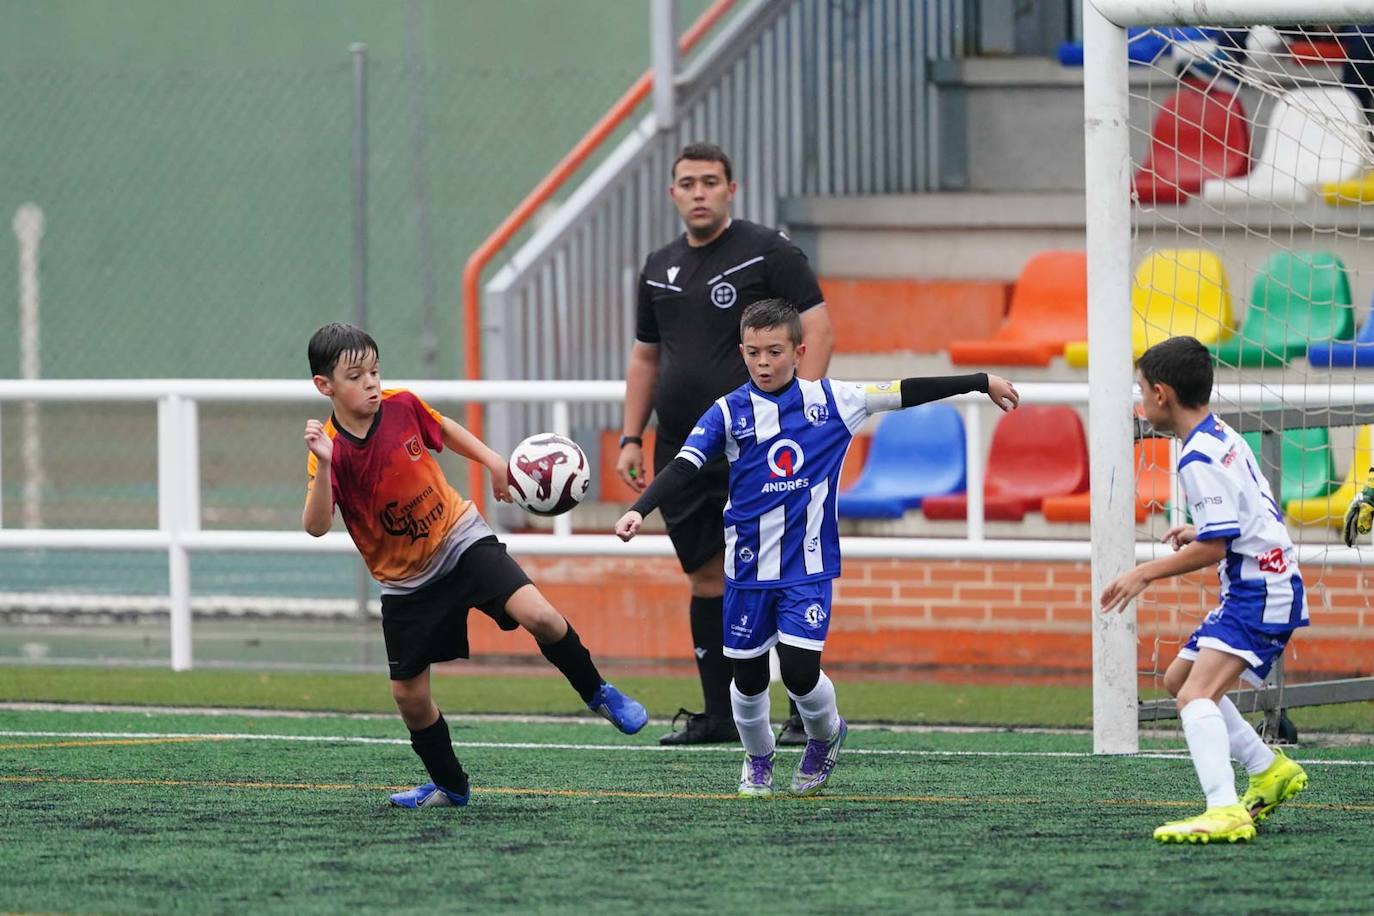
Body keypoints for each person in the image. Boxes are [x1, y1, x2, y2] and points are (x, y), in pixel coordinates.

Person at [615, 299, 1018, 796]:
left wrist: (979, 381)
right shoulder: (728, 411)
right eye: (754, 352)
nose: (763, 363)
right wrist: (641, 508)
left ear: (799, 351)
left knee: (802, 673)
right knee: (747, 679)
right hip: (745, 569)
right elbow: (684, 465)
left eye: (775, 352)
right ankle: (758, 758)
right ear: (741, 351)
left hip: (807, 566)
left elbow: (904, 391)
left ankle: (825, 738)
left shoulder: (835, 400)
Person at [302, 322, 647, 809]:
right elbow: (316, 525)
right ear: (325, 386)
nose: (372, 383)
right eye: (356, 376)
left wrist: (495, 462)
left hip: (460, 539)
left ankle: (598, 692)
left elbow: (443, 428)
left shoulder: (403, 405)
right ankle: (451, 785)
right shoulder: (331, 451)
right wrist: (322, 463)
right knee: (409, 697)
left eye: (376, 370)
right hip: (405, 583)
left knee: (542, 617)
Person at [620, 142, 835, 747]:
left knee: (783, 575)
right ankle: (719, 718)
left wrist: (802, 414)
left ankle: (801, 710)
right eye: (686, 182)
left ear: (731, 189)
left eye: (709, 181)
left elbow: (817, 328)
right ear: (672, 193)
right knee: (707, 579)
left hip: (765, 449)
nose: (698, 192)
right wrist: (632, 436)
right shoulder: (657, 266)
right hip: (684, 451)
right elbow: (645, 356)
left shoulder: (768, 250)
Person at [1100, 336, 1310, 843]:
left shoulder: (1195, 458)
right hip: (1264, 579)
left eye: (1143, 389)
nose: (1139, 400)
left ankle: (1224, 808)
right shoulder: (1220, 435)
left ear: (1163, 395)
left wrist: (1144, 572)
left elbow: (1217, 549)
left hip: (1261, 588)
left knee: (1197, 693)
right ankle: (1269, 769)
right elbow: (1249, 512)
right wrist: (1201, 530)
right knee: (1179, 678)